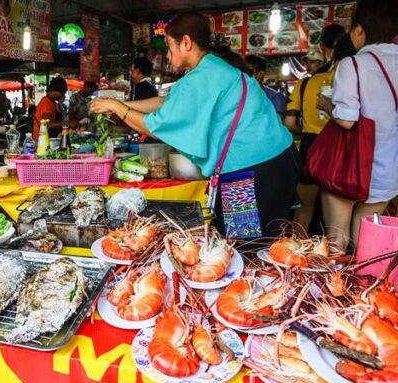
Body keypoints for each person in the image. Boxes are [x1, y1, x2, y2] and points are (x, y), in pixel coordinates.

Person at [91, 14, 298, 238]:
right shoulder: (214, 69)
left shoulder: (201, 78)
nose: (168, 56)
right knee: (269, 241)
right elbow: (167, 103)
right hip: (281, 159)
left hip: (251, 170)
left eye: (170, 47)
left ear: (187, 43)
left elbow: (156, 125)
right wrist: (119, 105)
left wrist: (118, 108)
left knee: (244, 244)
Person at [317, 0, 398, 246]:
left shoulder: (353, 64)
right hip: (386, 166)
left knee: (336, 243)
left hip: (349, 166)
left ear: (359, 29)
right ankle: (366, 284)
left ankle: (335, 284)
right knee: (366, 245)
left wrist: (327, 105)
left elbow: (346, 120)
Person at [285, 32, 355, 232]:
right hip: (342, 149)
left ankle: (296, 250)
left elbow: (289, 122)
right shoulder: (355, 83)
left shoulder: (306, 83)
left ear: (329, 54)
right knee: (339, 219)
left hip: (311, 146)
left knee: (303, 210)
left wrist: (306, 129)